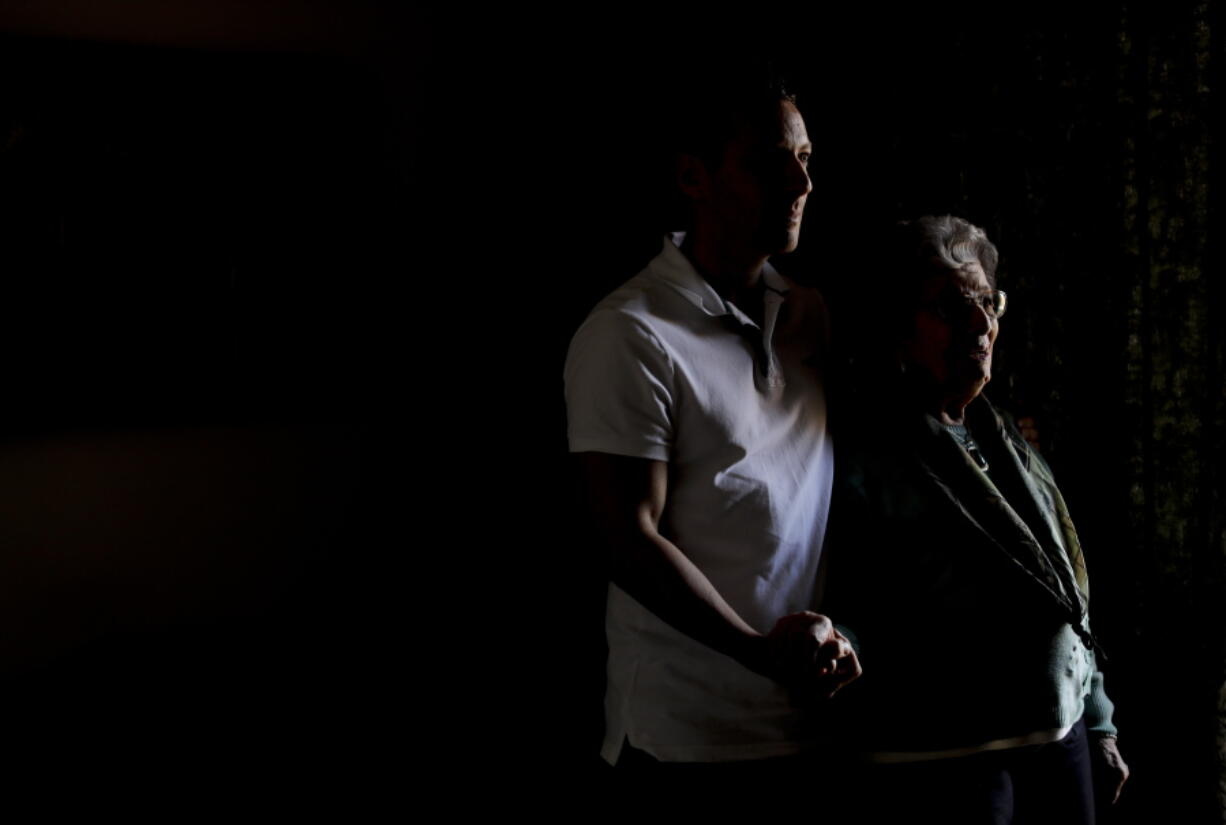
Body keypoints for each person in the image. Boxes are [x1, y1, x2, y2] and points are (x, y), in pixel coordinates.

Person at [563, 77, 861, 770]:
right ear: (693, 178)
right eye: (769, 159)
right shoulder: (630, 334)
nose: (801, 180)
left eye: (807, 156)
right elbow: (627, 540)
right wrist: (760, 654)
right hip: (686, 740)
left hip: (808, 726)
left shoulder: (809, 317)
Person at [826, 216, 1129, 822]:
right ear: (897, 327)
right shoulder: (861, 454)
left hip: (1057, 738)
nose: (982, 325)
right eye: (949, 306)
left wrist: (1099, 722)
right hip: (943, 760)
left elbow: (1064, 595)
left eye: (988, 302)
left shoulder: (1006, 440)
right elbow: (846, 604)